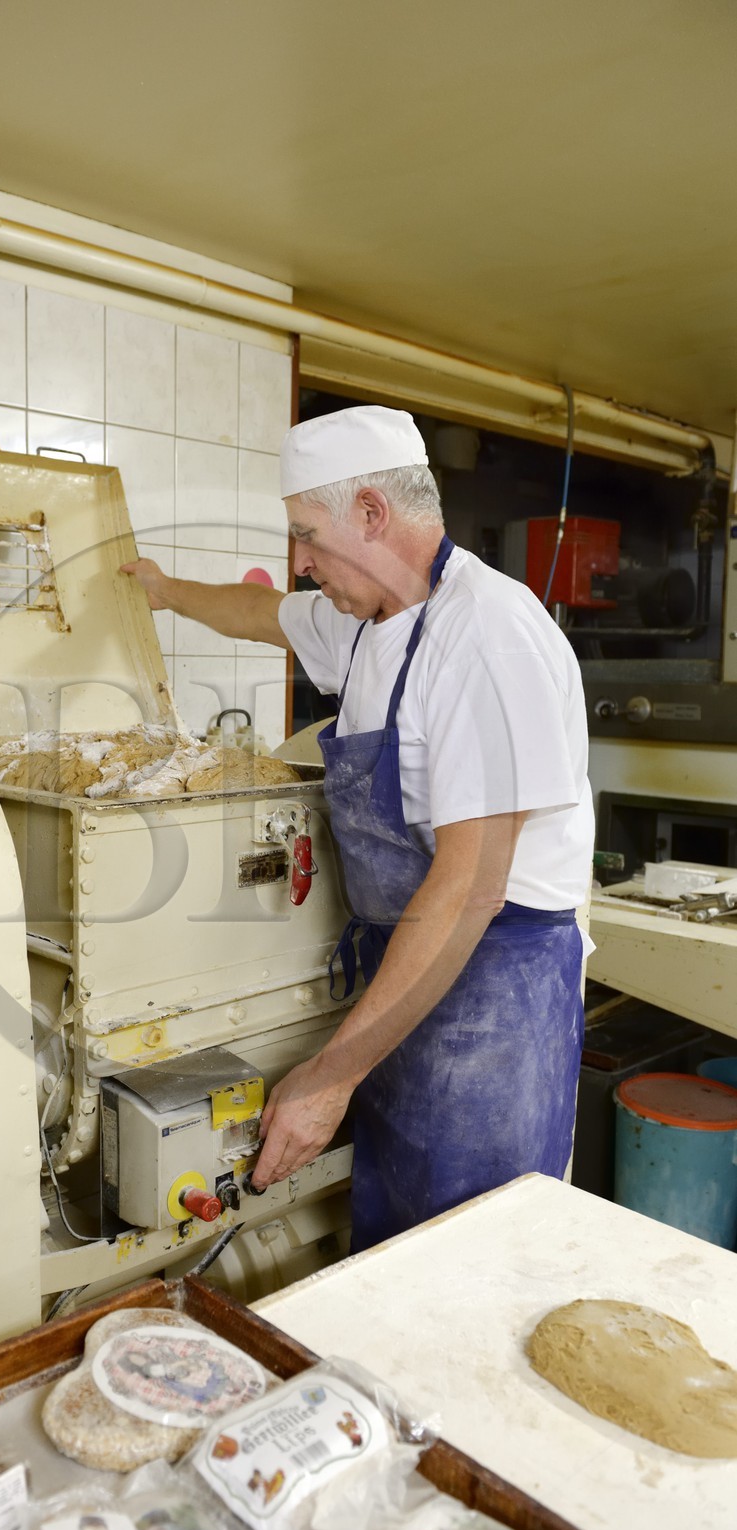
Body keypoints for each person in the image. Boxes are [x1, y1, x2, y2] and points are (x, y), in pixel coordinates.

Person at [121, 406, 594, 1250]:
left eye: (306, 534)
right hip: (402, 967)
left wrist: (331, 1075)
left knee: (473, 1247)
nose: (297, 564)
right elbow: (257, 613)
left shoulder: (486, 637)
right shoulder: (367, 620)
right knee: (395, 1237)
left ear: (372, 515)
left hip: (491, 981)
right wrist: (160, 592)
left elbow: (471, 887)